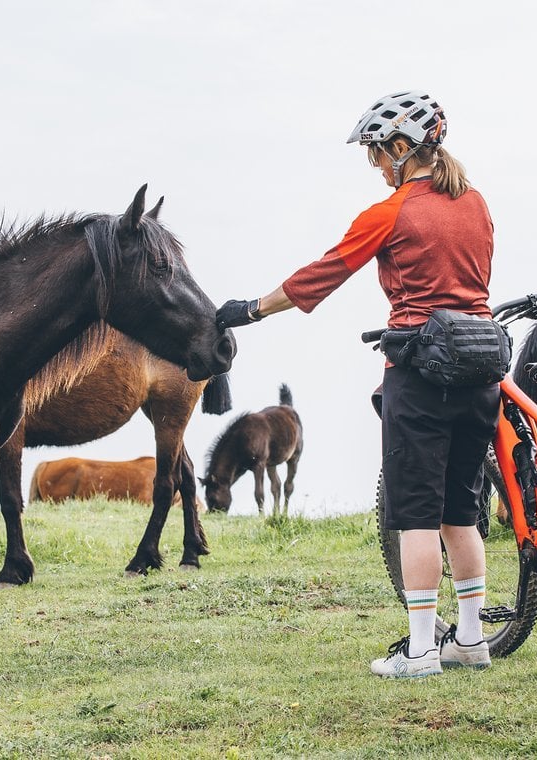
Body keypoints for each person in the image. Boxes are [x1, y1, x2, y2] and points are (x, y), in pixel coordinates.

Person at [217, 90, 500, 678]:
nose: (374, 165)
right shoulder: (476, 203)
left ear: (402, 148)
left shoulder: (393, 212)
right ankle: (471, 639)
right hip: (480, 372)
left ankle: (422, 650)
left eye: (375, 152)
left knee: (418, 517)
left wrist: (252, 309)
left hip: (419, 375)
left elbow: (323, 274)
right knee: (462, 513)